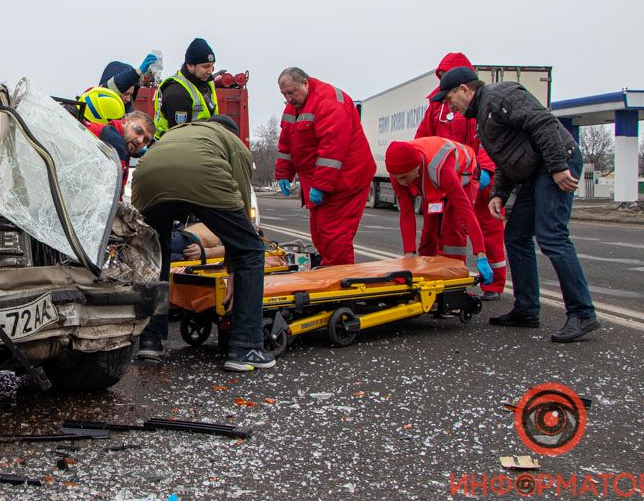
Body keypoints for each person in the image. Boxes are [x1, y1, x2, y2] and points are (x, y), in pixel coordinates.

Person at [435, 66, 599, 343]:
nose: (450, 106)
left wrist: (558, 167)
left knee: (552, 236)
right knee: (516, 236)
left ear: (464, 89)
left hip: (554, 163)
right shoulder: (484, 116)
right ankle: (526, 309)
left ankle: (582, 313)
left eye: (450, 98)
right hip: (535, 172)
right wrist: (499, 192)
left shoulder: (501, 95)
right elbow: (507, 158)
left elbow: (543, 124)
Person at [131, 114, 272, 371]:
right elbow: (240, 205)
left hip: (147, 178)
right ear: (233, 133)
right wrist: (233, 270)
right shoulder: (234, 144)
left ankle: (150, 340)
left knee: (156, 256)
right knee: (252, 249)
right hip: (201, 175)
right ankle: (245, 348)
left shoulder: (180, 132)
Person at [415, 53, 507, 300]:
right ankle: (445, 280)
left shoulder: (481, 103)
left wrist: (486, 169)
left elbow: (491, 137)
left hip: (478, 176)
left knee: (489, 229)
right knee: (441, 232)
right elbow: (424, 138)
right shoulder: (438, 105)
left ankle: (494, 284)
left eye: (447, 79)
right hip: (447, 179)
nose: (443, 84)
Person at [273, 67, 376, 266]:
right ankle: (331, 275)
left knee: (334, 236)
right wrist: (284, 174)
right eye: (284, 94)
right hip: (322, 181)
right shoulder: (293, 107)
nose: (288, 98)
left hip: (346, 181)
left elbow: (332, 149)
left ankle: (339, 284)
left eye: (291, 92)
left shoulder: (329, 102)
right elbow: (286, 143)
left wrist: (320, 185)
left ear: (305, 83)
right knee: (321, 234)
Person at [384, 137, 494, 285]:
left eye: (404, 178)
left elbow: (466, 211)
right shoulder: (398, 171)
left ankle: (454, 281)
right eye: (398, 179)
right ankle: (426, 279)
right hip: (431, 178)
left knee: (453, 227)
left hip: (464, 174)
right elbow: (406, 214)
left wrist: (481, 254)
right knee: (429, 233)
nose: (402, 183)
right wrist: (409, 256)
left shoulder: (440, 169)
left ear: (416, 168)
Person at [74, 88, 154, 187]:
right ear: (125, 122)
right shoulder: (116, 146)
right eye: (138, 131)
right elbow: (112, 192)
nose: (140, 140)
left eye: (145, 140)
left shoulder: (118, 138)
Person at [153, 38, 217, 137]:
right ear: (190, 65)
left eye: (212, 66)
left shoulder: (206, 83)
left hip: (201, 143)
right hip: (174, 147)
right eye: (205, 66)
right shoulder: (177, 93)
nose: (210, 71)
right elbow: (179, 138)